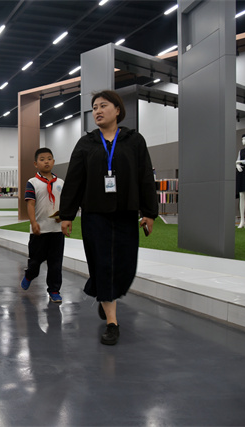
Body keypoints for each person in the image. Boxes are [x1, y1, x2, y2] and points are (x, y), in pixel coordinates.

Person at [60, 90, 157, 346]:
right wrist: (67, 215)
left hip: (126, 212)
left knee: (126, 265)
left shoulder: (134, 141)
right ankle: (112, 321)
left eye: (103, 106)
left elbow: (145, 177)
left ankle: (105, 293)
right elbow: (74, 181)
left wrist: (149, 212)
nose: (98, 111)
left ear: (117, 110)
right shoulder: (86, 143)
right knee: (102, 263)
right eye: (94, 108)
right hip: (95, 214)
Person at [20, 147, 65, 303]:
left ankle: (54, 290)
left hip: (57, 231)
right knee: (35, 262)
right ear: (35, 164)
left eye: (49, 159)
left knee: (55, 264)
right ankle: (29, 275)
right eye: (42, 159)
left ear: (53, 161)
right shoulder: (32, 182)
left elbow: (65, 203)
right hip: (39, 231)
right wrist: (33, 222)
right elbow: (30, 204)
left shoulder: (60, 183)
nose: (46, 162)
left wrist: (63, 216)